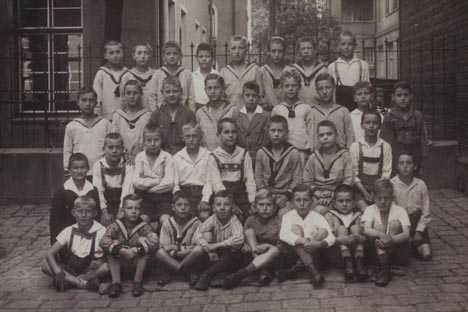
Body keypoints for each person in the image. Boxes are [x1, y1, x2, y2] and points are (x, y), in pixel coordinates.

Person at [42, 195, 108, 292]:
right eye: (80, 211)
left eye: (88, 211)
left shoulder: (101, 231)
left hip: (90, 271)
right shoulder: (69, 230)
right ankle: (82, 284)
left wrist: (100, 261)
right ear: (74, 213)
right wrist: (57, 270)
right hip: (72, 269)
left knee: (106, 267)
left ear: (95, 213)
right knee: (46, 266)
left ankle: (71, 281)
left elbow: (109, 255)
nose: (84, 215)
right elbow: (50, 253)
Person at [100, 194, 159, 297]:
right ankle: (116, 283)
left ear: (141, 211)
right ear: (123, 210)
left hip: (138, 266)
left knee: (144, 244)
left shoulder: (144, 226)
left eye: (137, 208)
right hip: (121, 266)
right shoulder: (115, 225)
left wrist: (137, 249)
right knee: (112, 247)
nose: (133, 211)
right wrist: (121, 250)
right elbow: (103, 241)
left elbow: (155, 242)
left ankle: (137, 282)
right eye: (129, 208)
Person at [222, 189, 283, 288]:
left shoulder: (279, 222)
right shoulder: (250, 220)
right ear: (255, 207)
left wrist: (267, 246)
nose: (264, 208)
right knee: (249, 232)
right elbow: (243, 240)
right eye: (261, 205)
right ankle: (262, 271)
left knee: (275, 250)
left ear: (274, 208)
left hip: (272, 258)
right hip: (253, 254)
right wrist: (245, 244)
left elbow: (282, 246)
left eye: (268, 205)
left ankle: (241, 275)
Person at [279, 184, 335, 287]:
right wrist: (301, 240)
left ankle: (295, 269)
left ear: (312, 202)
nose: (302, 203)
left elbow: (331, 237)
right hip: (294, 255)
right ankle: (314, 272)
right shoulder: (288, 216)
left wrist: (319, 244)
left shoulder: (317, 216)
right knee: (296, 229)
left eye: (306, 200)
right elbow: (283, 234)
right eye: (298, 200)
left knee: (323, 231)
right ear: (292, 202)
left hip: (315, 254)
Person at [362, 178, 411, 287]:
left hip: (396, 251)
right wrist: (381, 235)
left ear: (392, 197)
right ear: (373, 197)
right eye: (379, 198)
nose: (383, 202)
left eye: (386, 198)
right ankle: (385, 268)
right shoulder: (370, 209)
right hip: (375, 252)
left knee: (395, 224)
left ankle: (382, 267)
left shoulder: (400, 211)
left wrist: (391, 240)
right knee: (379, 228)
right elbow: (366, 229)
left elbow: (407, 234)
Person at [192, 190, 245, 291]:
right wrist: (207, 247)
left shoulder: (234, 221)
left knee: (232, 251)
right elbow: (197, 234)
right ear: (213, 208)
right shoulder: (212, 219)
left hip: (229, 258)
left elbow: (239, 238)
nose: (222, 208)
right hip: (214, 256)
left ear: (233, 207)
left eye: (226, 205)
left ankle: (207, 275)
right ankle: (217, 275)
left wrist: (216, 246)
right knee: (205, 236)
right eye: (218, 205)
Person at [208, 118, 256, 222]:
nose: (231, 135)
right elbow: (217, 185)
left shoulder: (243, 154)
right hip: (221, 195)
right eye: (226, 132)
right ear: (218, 135)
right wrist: (230, 204)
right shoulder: (214, 156)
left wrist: (252, 201)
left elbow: (250, 180)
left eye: (233, 132)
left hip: (241, 194)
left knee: (250, 218)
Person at [255, 115, 303, 216]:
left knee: (283, 215)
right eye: (273, 130)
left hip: (285, 195)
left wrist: (287, 195)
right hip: (266, 194)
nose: (276, 134)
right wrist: (266, 195)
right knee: (259, 212)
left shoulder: (293, 153)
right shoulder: (261, 152)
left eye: (280, 131)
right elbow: (258, 177)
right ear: (268, 132)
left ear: (286, 133)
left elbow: (297, 178)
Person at [303, 120, 354, 215]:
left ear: (336, 135)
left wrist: (333, 195)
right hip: (316, 193)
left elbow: (349, 180)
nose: (325, 137)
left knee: (319, 211)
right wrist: (317, 192)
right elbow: (307, 180)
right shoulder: (313, 156)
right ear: (317, 138)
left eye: (329, 134)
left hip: (337, 195)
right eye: (321, 135)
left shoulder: (344, 155)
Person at [50, 154, 100, 247]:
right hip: (69, 233)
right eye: (75, 168)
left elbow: (97, 216)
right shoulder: (62, 191)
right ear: (69, 170)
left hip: (89, 234)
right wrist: (55, 242)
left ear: (88, 169)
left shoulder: (93, 190)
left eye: (83, 168)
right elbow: (55, 220)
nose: (79, 171)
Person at [380, 81, 429, 177]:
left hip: (414, 159)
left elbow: (423, 140)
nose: (402, 98)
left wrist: (423, 163)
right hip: (396, 160)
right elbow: (385, 145)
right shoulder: (389, 117)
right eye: (399, 95)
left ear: (411, 96)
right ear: (393, 97)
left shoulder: (417, 116)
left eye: (405, 95)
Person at [155, 191, 204, 286]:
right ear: (173, 207)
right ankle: (184, 271)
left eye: (186, 205)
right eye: (179, 205)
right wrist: (180, 250)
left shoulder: (196, 223)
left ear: (191, 208)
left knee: (199, 250)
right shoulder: (167, 223)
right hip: (172, 257)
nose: (183, 208)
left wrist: (175, 249)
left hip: (189, 258)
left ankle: (173, 271)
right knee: (159, 253)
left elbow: (195, 247)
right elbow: (164, 247)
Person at [391, 152, 432, 261]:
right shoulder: (392, 184)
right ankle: (408, 244)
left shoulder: (420, 184)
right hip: (400, 224)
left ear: (415, 166)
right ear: (397, 166)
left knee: (426, 255)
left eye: (409, 163)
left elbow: (425, 212)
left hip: (415, 222)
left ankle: (416, 244)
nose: (405, 166)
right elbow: (392, 211)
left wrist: (419, 231)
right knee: (402, 255)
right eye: (401, 163)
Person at [63, 87, 112, 178]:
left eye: (91, 100)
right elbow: (67, 150)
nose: (88, 104)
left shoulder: (105, 124)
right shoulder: (72, 126)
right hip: (80, 172)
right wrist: (67, 171)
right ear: (78, 102)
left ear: (96, 103)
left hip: (102, 171)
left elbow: (111, 146)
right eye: (84, 100)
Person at [349, 110, 392, 212]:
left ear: (380, 126)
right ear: (362, 125)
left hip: (380, 189)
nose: (371, 126)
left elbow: (386, 173)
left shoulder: (385, 146)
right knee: (365, 210)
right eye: (367, 122)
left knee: (381, 210)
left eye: (375, 123)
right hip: (359, 190)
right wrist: (364, 192)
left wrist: (377, 190)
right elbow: (353, 174)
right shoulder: (355, 146)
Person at [133, 124, 174, 226]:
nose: (153, 144)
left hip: (164, 198)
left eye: (156, 140)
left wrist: (146, 186)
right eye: (149, 140)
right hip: (145, 198)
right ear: (144, 141)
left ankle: (164, 240)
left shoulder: (167, 157)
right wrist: (158, 180)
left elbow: (168, 184)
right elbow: (136, 182)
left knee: (165, 220)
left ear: (161, 140)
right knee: (142, 221)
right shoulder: (140, 157)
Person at [325, 184, 367, 282]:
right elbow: (326, 240)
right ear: (334, 203)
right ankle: (348, 265)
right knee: (341, 229)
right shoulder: (329, 216)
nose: (344, 204)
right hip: (338, 255)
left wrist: (358, 237)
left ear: (353, 203)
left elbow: (366, 238)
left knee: (355, 227)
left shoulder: (359, 216)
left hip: (357, 253)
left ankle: (359, 264)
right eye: (340, 201)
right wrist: (339, 240)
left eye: (348, 201)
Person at [271, 67, 314, 161]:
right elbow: (273, 131)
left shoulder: (306, 108)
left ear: (299, 87)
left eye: (294, 85)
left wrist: (311, 152)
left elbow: (311, 132)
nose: (290, 89)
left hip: (301, 152)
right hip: (283, 152)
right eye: (287, 86)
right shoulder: (277, 109)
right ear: (281, 87)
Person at [173, 122, 213, 221]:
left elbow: (209, 181)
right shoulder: (177, 157)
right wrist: (180, 198)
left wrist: (205, 200)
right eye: (187, 136)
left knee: (204, 216)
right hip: (184, 193)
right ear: (183, 138)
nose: (191, 139)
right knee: (184, 217)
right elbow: (175, 183)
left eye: (194, 136)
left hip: (201, 193)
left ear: (200, 137)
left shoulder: (208, 155)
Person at [92, 133, 134, 226]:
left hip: (122, 201)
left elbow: (127, 189)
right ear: (104, 149)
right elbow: (98, 190)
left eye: (118, 147)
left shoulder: (128, 165)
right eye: (110, 147)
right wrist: (104, 211)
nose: (114, 151)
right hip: (105, 202)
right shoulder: (98, 165)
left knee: (124, 224)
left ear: (123, 149)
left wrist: (122, 210)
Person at [149, 76, 196, 155]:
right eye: (167, 92)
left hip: (184, 155)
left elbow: (194, 137)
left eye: (175, 91)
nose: (171, 94)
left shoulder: (189, 114)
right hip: (161, 154)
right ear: (162, 92)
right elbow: (150, 137)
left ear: (181, 91)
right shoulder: (156, 115)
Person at [310, 72, 354, 151]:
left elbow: (350, 136)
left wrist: (347, 153)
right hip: (318, 156)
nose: (324, 92)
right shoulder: (312, 111)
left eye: (328, 87)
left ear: (334, 88)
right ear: (316, 90)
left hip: (339, 155)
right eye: (320, 88)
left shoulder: (343, 111)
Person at [328, 31, 370, 112]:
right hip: (339, 107)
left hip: (359, 108)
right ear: (338, 46)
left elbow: (367, 89)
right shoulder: (332, 66)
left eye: (350, 44)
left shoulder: (363, 65)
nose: (346, 47)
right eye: (343, 44)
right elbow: (332, 92)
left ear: (355, 46)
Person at [148, 41, 195, 111]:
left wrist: (191, 114)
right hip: (162, 113)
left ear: (180, 56)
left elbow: (191, 97)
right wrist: (155, 114)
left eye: (175, 53)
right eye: (168, 54)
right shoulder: (158, 74)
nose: (172, 56)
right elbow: (152, 96)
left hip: (182, 113)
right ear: (163, 56)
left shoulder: (186, 74)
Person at [112, 80, 151, 163]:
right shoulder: (118, 115)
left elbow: (149, 138)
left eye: (135, 93)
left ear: (141, 94)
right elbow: (114, 139)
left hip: (142, 158)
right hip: (121, 159)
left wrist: (139, 155)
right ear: (124, 95)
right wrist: (122, 153)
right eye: (128, 93)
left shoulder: (147, 115)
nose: (132, 96)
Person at [233, 80, 270, 166]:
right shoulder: (237, 114)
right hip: (240, 157)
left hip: (259, 158)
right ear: (242, 97)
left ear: (259, 97)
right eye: (247, 95)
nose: (251, 99)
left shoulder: (265, 115)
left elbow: (267, 139)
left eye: (254, 96)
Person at [196, 73, 236, 151]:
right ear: (205, 90)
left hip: (227, 157)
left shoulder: (232, 110)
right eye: (209, 88)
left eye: (216, 88)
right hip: (207, 156)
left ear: (223, 89)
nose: (213, 91)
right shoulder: (200, 113)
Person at [220, 35, 259, 107]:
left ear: (246, 50)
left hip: (249, 113)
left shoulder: (254, 69)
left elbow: (260, 94)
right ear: (229, 51)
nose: (237, 51)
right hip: (231, 113)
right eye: (233, 48)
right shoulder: (224, 71)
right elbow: (221, 97)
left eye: (240, 48)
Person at [93, 40, 128, 120]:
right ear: (105, 55)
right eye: (111, 53)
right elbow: (97, 95)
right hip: (106, 115)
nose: (115, 55)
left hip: (124, 115)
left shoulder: (127, 73)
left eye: (118, 52)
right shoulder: (101, 73)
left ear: (122, 54)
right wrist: (98, 113)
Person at [291, 36, 328, 107]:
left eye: (309, 48)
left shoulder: (323, 70)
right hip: (298, 109)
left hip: (318, 109)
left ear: (315, 50)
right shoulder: (293, 70)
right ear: (298, 51)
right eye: (303, 49)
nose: (306, 51)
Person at [257, 36, 292, 111]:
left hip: (287, 111)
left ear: (284, 52)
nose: (276, 54)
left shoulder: (290, 71)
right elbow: (260, 95)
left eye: (280, 51)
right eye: (273, 51)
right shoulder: (262, 71)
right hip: (268, 112)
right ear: (268, 52)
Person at [120, 43, 154, 110]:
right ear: (133, 56)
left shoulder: (155, 75)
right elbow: (123, 99)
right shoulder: (127, 76)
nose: (143, 56)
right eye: (139, 53)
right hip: (134, 114)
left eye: (146, 53)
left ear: (150, 55)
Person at [192, 42, 219, 109]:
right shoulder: (192, 76)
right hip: (197, 108)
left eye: (207, 56)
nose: (204, 59)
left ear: (212, 58)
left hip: (213, 107)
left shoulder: (217, 75)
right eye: (201, 56)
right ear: (196, 58)